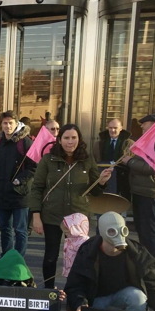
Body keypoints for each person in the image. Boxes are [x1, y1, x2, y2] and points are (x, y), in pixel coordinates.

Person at [29, 124, 112, 289]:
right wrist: (36, 216)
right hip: (52, 215)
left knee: (77, 256)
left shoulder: (87, 160)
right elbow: (37, 188)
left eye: (74, 137)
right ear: (59, 140)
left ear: (79, 139)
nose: (70, 141)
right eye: (66, 138)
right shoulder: (48, 160)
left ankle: (73, 291)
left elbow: (95, 192)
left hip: (77, 218)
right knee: (51, 256)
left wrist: (102, 182)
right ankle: (49, 290)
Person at [68, 212, 155, 311]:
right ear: (102, 232)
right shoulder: (88, 253)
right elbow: (76, 284)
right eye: (111, 231)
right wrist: (80, 305)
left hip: (125, 295)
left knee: (138, 297)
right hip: (96, 298)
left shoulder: (137, 253)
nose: (118, 235)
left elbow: (151, 285)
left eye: (123, 230)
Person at [124, 114, 155, 258]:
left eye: (145, 124)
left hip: (151, 192)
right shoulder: (149, 142)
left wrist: (130, 162)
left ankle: (150, 262)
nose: (142, 127)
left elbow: (153, 167)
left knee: (149, 230)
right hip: (142, 190)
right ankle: (145, 259)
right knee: (142, 229)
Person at [0, 111, 34, 258]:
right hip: (2, 192)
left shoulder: (25, 141)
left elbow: (33, 167)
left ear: (16, 124)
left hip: (19, 194)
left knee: (20, 230)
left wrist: (20, 180)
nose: (8, 126)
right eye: (5, 123)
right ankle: (6, 257)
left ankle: (18, 260)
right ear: (1, 125)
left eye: (10, 123)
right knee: (4, 228)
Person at [92, 117, 132, 199]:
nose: (112, 130)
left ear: (121, 128)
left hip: (122, 179)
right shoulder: (99, 144)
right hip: (104, 177)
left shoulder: (129, 144)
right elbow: (94, 160)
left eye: (115, 128)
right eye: (110, 128)